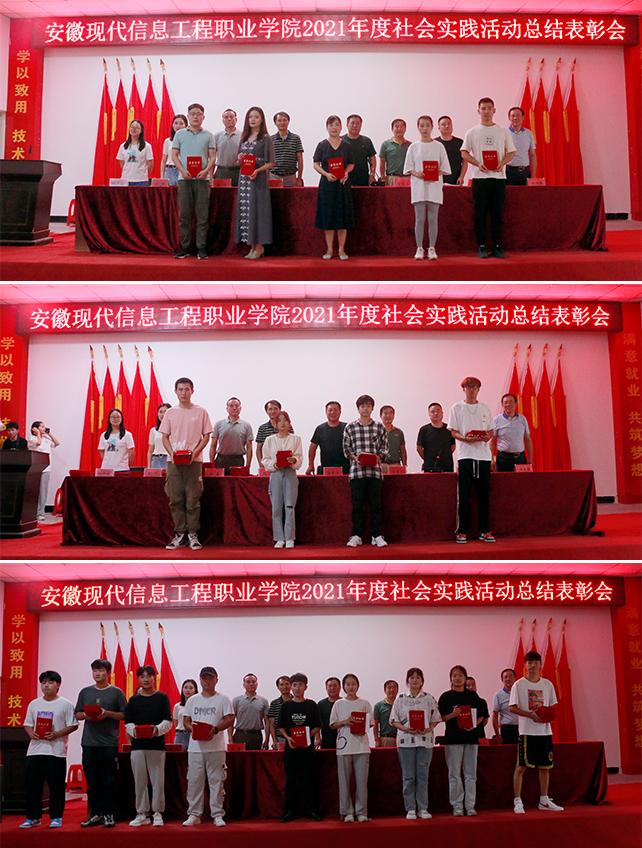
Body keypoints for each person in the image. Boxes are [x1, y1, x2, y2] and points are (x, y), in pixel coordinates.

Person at [160, 377, 213, 551]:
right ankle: (180, 534)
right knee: (175, 499)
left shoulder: (201, 412)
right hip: (174, 462)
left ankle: (193, 534)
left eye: (187, 389)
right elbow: (165, 437)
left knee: (193, 499)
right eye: (180, 389)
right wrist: (172, 453)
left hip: (194, 462)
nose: (184, 392)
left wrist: (195, 453)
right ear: (175, 392)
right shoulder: (170, 412)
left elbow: (206, 436)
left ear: (192, 391)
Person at [20, 670, 78, 829]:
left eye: (50, 682)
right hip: (35, 751)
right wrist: (30, 732)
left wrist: (57, 734)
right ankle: (32, 817)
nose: (46, 685)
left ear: (58, 685)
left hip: (56, 752)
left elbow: (73, 725)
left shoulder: (65, 704)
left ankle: (56, 817)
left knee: (56, 786)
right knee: (33, 786)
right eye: (43, 682)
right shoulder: (34, 704)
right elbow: (27, 724)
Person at [74, 658, 127, 828]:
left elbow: (124, 715)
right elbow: (77, 714)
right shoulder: (85, 692)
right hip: (89, 743)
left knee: (108, 780)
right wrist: (85, 715)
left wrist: (107, 713)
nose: (97, 673)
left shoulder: (116, 692)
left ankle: (109, 814)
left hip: (109, 743)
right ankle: (95, 814)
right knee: (92, 781)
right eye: (95, 670)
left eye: (101, 670)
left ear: (108, 673)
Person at [510, 651, 564, 814]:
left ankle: (544, 800)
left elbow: (552, 708)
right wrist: (529, 715)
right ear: (525, 665)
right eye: (530, 663)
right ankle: (518, 800)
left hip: (545, 732)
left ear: (540, 665)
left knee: (545, 767)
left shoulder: (547, 684)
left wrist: (547, 716)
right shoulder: (519, 685)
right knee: (521, 767)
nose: (533, 666)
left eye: (536, 663)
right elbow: (512, 707)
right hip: (527, 732)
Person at [461, 97, 516, 259]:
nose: (486, 111)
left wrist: (502, 163)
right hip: (480, 179)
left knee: (497, 213)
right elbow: (464, 153)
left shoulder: (503, 131)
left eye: (489, 108)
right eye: (483, 108)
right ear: (478, 111)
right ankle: (481, 246)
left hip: (498, 178)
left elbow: (511, 152)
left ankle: (497, 246)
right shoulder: (472, 132)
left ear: (494, 110)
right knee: (480, 214)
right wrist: (478, 163)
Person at [182, 666, 234, 827]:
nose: (207, 681)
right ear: (200, 680)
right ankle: (194, 814)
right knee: (194, 781)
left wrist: (216, 729)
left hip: (216, 747)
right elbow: (186, 721)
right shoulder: (192, 700)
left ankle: (217, 814)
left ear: (216, 680)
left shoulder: (223, 699)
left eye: (210, 678)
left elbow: (230, 718)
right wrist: (195, 730)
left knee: (217, 781)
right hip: (195, 748)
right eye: (204, 678)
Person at [447, 377, 495, 544]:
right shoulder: (457, 407)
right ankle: (462, 531)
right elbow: (453, 432)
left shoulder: (484, 408)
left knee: (484, 495)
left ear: (478, 389)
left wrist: (486, 437)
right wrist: (466, 439)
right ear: (464, 389)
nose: (471, 390)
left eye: (474, 387)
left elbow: (490, 431)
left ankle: (485, 530)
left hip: (484, 456)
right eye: (468, 387)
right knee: (464, 494)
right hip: (465, 455)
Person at [124, 665, 172, 827]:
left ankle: (157, 812)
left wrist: (156, 730)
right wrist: (135, 731)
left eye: (148, 676)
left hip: (157, 745)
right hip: (138, 746)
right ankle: (142, 813)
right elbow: (128, 722)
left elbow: (168, 721)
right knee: (139, 781)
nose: (145, 679)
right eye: (142, 676)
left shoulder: (162, 698)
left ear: (153, 678)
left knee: (158, 781)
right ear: (138, 679)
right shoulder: (133, 700)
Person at [390, 667, 440, 820]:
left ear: (422, 681)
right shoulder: (400, 699)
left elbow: (435, 719)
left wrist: (428, 729)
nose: (415, 680)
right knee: (408, 777)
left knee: (423, 777)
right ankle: (411, 808)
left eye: (418, 677)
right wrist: (405, 728)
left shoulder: (429, 698)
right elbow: (393, 720)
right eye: (412, 677)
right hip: (405, 743)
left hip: (425, 742)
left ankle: (423, 808)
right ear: (407, 681)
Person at [438, 665, 487, 817]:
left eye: (460, 675)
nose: (457, 678)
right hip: (453, 740)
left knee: (471, 774)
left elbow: (481, 716)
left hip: (471, 739)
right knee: (454, 774)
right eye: (454, 676)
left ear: (465, 678)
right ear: (450, 679)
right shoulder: (446, 697)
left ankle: (470, 805)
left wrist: (473, 724)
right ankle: (457, 806)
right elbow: (441, 717)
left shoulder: (473, 696)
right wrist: (452, 715)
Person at [343, 394, 389, 548]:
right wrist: (354, 457)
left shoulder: (379, 427)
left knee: (376, 505)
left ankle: (377, 535)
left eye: (368, 406)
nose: (365, 409)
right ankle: (357, 535)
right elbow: (346, 448)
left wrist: (378, 457)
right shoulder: (350, 427)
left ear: (372, 408)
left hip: (375, 473)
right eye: (362, 406)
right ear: (358, 408)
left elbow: (385, 448)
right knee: (357, 506)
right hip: (357, 473)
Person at [172, 103, 216, 260]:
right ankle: (185, 247)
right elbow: (174, 155)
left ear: (203, 117)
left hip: (202, 179)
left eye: (199, 114)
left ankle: (201, 247)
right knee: (184, 214)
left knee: (202, 215)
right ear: (188, 116)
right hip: (184, 179)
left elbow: (212, 157)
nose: (195, 116)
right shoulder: (180, 134)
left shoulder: (208, 135)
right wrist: (182, 171)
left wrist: (206, 171)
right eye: (192, 113)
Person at [404, 115, 451, 260]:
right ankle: (419, 248)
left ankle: (432, 248)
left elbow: (445, 167)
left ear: (432, 127)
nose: (425, 128)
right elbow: (408, 168)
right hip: (419, 186)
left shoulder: (439, 146)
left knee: (432, 219)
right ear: (418, 127)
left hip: (434, 186)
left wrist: (435, 173)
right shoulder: (413, 146)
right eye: (422, 125)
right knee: (419, 219)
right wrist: (416, 173)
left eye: (427, 125)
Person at [277, 672, 322, 822]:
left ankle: (311, 810)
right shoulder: (286, 706)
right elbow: (280, 726)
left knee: (309, 780)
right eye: (294, 685)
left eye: (300, 685)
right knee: (291, 781)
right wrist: (288, 738)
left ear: (305, 687)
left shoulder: (311, 705)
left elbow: (317, 726)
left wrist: (307, 737)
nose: (297, 688)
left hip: (308, 750)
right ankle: (290, 811)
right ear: (291, 687)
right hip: (291, 750)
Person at [234, 106, 276, 260]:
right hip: (244, 180)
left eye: (256, 117)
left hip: (258, 179)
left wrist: (258, 170)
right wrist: (239, 159)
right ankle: (251, 246)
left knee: (258, 211)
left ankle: (259, 246)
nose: (253, 119)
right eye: (250, 117)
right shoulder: (244, 138)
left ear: (262, 119)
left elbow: (271, 162)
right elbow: (239, 161)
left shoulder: (265, 138)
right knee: (247, 211)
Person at [330, 674, 373, 822]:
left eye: (353, 684)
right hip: (344, 748)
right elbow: (332, 724)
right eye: (348, 684)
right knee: (344, 782)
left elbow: (370, 723)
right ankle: (347, 812)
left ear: (357, 686)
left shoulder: (365, 703)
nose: (350, 687)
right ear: (343, 687)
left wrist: (362, 728)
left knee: (361, 782)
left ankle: (361, 812)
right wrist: (345, 722)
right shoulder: (338, 704)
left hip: (362, 747)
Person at [313, 115, 355, 260]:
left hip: (342, 185)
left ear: (341, 127)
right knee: (328, 218)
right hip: (327, 185)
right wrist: (326, 174)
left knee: (343, 218)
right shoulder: (322, 145)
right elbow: (316, 164)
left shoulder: (347, 145)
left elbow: (351, 164)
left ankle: (342, 249)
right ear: (327, 127)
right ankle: (329, 250)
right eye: (331, 125)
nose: (334, 128)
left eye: (337, 124)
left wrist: (346, 173)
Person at [261, 410, 303, 548]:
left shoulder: (296, 439)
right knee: (276, 507)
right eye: (279, 421)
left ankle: (290, 537)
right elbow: (265, 459)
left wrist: (294, 460)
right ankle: (279, 538)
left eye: (285, 420)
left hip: (290, 472)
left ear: (289, 423)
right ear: (275, 424)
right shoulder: (269, 440)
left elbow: (299, 458)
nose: (282, 423)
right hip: (276, 473)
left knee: (289, 506)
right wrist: (275, 464)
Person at [209, 397, 253, 473]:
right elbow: (213, 446)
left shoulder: (246, 426)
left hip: (238, 460)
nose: (234, 408)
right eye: (231, 406)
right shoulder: (219, 424)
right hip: (221, 460)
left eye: (236, 406)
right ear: (227, 409)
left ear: (240, 408)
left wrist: (248, 465)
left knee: (237, 481)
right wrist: (211, 464)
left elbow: (249, 448)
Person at [491, 393, 534, 471]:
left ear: (516, 404)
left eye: (511, 402)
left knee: (521, 479)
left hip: (520, 458)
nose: (508, 405)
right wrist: (491, 458)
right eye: (505, 402)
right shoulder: (496, 420)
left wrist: (531, 458)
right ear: (502, 405)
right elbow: (492, 440)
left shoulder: (522, 419)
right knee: (503, 479)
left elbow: (527, 439)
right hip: (503, 458)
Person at [28, 421, 60, 521]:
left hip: (46, 469)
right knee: (34, 491)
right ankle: (32, 512)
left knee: (43, 491)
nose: (44, 428)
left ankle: (40, 512)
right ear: (35, 429)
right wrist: (38, 434)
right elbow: (38, 445)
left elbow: (56, 443)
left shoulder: (46, 439)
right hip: (35, 469)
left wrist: (49, 434)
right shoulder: (32, 439)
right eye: (42, 427)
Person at [306, 401, 350, 475]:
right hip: (326, 469)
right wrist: (311, 465)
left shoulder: (347, 428)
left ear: (340, 412)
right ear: (326, 412)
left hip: (346, 470)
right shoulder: (320, 429)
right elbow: (312, 447)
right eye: (330, 410)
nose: (332, 412)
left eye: (335, 410)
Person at [230, 674, 270, 750]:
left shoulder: (263, 701)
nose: (251, 684)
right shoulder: (236, 701)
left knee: (255, 757)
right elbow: (231, 721)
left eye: (253, 682)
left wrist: (267, 740)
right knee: (239, 757)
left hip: (256, 736)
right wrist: (230, 739)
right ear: (244, 685)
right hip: (240, 735)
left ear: (257, 684)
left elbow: (267, 722)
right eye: (248, 682)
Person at [416, 403, 456, 472]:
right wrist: (428, 458)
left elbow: (453, 446)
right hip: (429, 466)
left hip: (447, 466)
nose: (435, 413)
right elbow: (419, 448)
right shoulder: (424, 430)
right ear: (429, 414)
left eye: (438, 411)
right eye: (432, 412)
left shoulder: (449, 429)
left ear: (442, 413)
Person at [255, 400, 293, 467]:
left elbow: (292, 443)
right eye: (270, 409)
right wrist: (261, 463)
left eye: (275, 409)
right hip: (268, 463)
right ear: (266, 411)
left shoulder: (287, 426)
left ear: (280, 410)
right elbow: (259, 449)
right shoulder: (262, 428)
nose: (273, 411)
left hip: (285, 463)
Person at [270, 112, 304, 186]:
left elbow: (300, 159)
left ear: (288, 122)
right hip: (274, 176)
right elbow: (268, 160)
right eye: (279, 120)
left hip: (290, 177)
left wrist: (299, 178)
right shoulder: (271, 139)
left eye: (284, 120)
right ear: (275, 123)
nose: (282, 123)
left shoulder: (296, 138)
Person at [342, 114, 377, 186]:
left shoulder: (366, 141)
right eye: (352, 123)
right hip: (344, 178)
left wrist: (372, 174)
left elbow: (372, 158)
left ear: (361, 125)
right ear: (347, 125)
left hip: (363, 179)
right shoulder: (341, 141)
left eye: (357, 123)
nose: (355, 126)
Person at [116, 120, 153, 186]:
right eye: (132, 127)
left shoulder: (147, 146)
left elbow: (150, 164)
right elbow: (121, 162)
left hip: (141, 181)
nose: (134, 129)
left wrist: (143, 174)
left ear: (141, 131)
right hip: (126, 180)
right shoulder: (123, 146)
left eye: (136, 127)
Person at [506, 107, 537, 186]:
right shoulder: (505, 133)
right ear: (509, 118)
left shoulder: (528, 133)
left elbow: (532, 155)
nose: (515, 118)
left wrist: (534, 174)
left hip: (525, 172)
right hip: (509, 172)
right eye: (513, 116)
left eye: (518, 115)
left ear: (523, 117)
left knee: (525, 194)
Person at [435, 116, 468, 186]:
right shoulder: (435, 143)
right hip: (438, 181)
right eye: (443, 124)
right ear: (439, 128)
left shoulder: (460, 142)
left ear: (452, 126)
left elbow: (465, 162)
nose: (447, 126)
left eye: (449, 124)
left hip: (455, 181)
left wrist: (462, 176)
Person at [213, 109, 242, 185]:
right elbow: (212, 157)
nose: (229, 119)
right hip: (221, 172)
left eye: (231, 117)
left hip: (237, 172)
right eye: (226, 117)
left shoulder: (243, 136)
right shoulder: (216, 136)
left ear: (236, 119)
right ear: (222, 120)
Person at [379, 119, 411, 184]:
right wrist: (382, 177)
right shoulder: (386, 144)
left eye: (401, 126)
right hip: (392, 178)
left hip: (407, 178)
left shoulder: (410, 145)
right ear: (392, 129)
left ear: (405, 129)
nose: (399, 129)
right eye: (396, 126)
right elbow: (382, 163)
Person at [492, 668, 519, 744]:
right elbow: (495, 715)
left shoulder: (520, 692)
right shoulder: (498, 695)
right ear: (502, 680)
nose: (508, 679)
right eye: (506, 677)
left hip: (521, 728)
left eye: (510, 676)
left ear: (515, 678)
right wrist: (497, 734)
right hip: (507, 729)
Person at [160, 114, 188, 185]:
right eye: (176, 123)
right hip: (170, 171)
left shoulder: (188, 141)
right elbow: (163, 161)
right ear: (172, 125)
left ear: (186, 125)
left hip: (183, 170)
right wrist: (162, 176)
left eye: (181, 123)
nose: (178, 126)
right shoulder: (168, 141)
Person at [267, 676, 292, 749]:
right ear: (278, 687)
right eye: (281, 684)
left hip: (295, 737)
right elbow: (272, 724)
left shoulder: (297, 701)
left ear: (291, 686)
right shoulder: (274, 703)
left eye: (287, 684)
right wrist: (274, 740)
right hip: (280, 738)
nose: (284, 687)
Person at [174, 678, 198, 752]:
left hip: (193, 734)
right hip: (180, 735)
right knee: (178, 757)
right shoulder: (177, 706)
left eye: (191, 688)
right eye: (185, 687)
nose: (188, 690)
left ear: (195, 690)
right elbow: (176, 723)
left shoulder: (198, 706)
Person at [317, 677, 341, 750]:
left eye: (335, 685)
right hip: (326, 740)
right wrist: (318, 738)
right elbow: (317, 723)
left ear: (340, 687)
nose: (332, 688)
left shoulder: (344, 703)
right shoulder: (321, 704)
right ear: (326, 688)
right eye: (330, 686)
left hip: (343, 738)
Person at [373, 679, 399, 747]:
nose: (391, 690)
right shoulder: (379, 706)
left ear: (397, 690)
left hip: (400, 739)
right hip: (385, 739)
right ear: (385, 690)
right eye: (389, 688)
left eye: (394, 687)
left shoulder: (401, 705)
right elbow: (375, 724)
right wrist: (376, 739)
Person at [147, 403, 171, 469]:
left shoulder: (174, 430)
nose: (162, 414)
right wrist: (149, 467)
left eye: (165, 412)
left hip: (169, 459)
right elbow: (150, 451)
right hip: (156, 460)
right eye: (160, 412)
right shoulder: (153, 430)